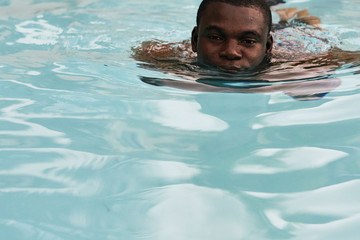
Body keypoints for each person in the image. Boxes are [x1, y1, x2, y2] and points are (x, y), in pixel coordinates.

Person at [132, 0, 359, 100]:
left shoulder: (299, 61)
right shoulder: (163, 58)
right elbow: (143, 52)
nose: (231, 52)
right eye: (215, 37)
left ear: (268, 47)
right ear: (194, 40)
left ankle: (290, 16)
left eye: (247, 41)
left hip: (291, 39)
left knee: (305, 25)